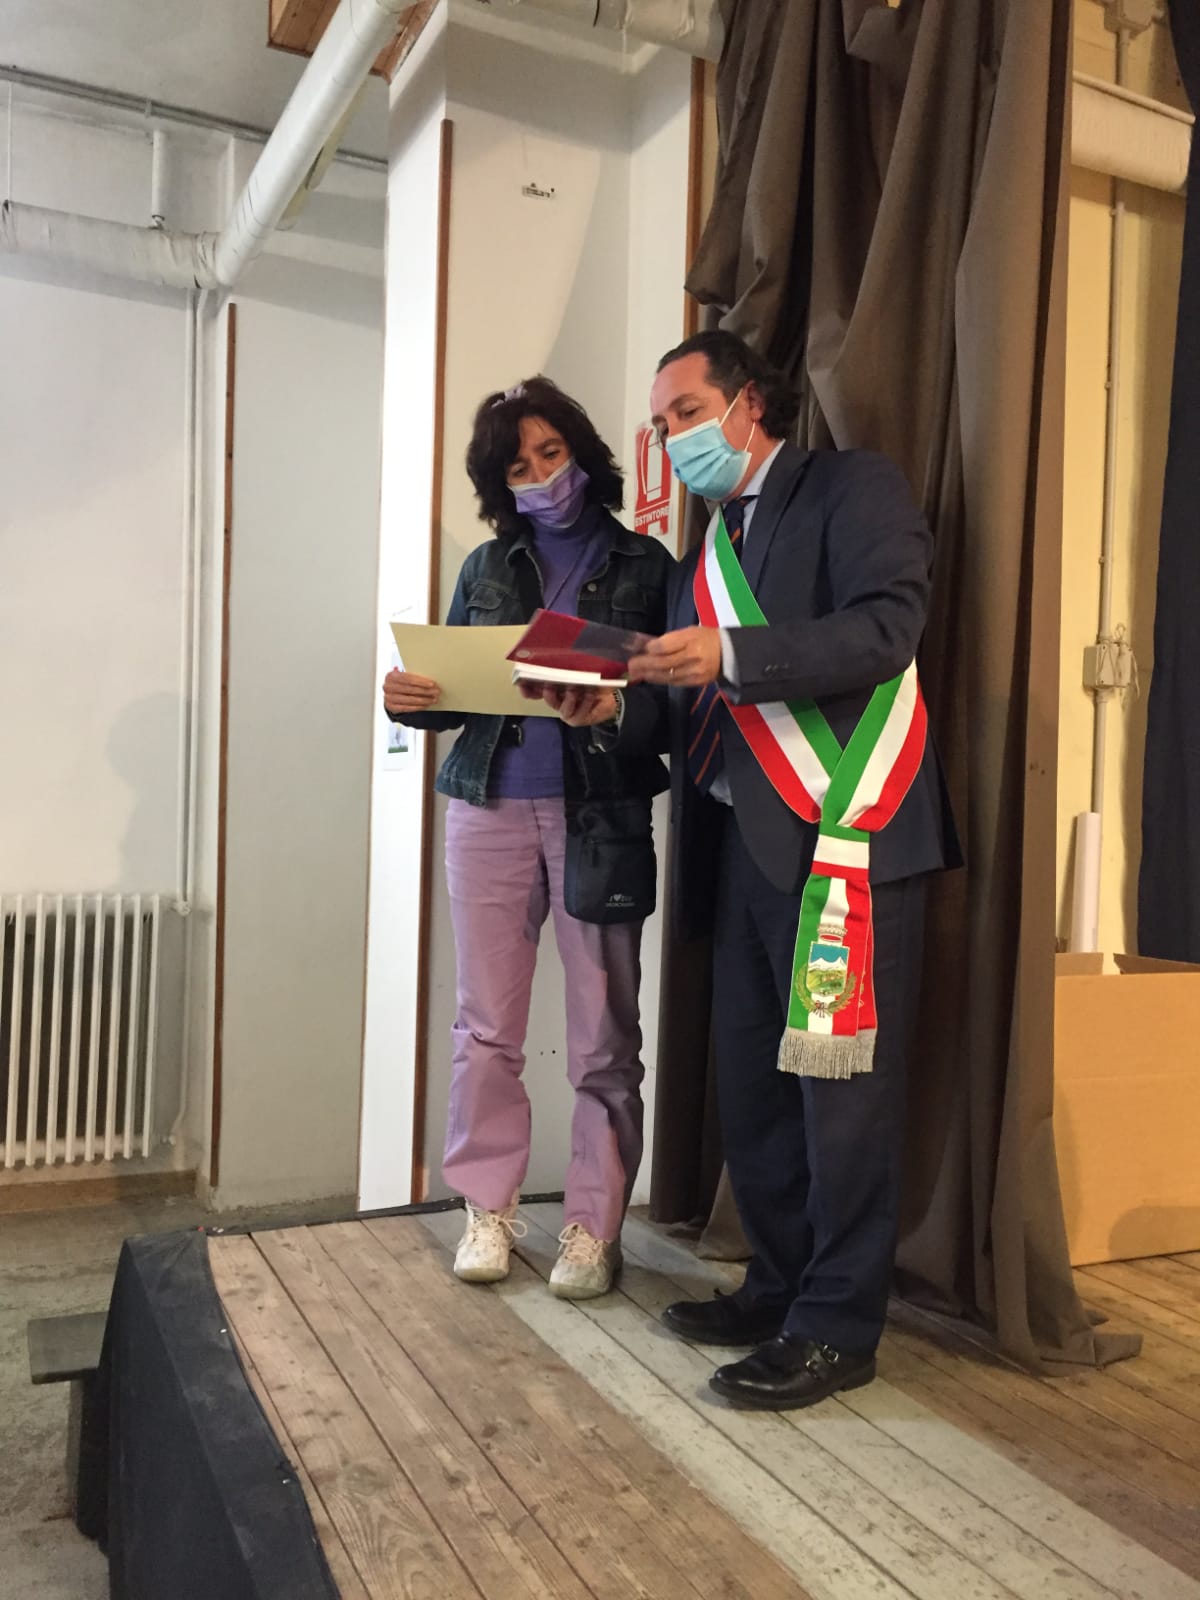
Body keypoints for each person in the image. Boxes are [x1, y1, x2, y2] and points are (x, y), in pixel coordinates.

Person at [624, 330, 959, 1408]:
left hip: (846, 841)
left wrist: (731, 654)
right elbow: (685, 710)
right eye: (661, 424)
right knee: (756, 1089)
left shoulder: (851, 490)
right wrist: (608, 708)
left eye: (685, 413)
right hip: (740, 850)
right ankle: (776, 1285)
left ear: (748, 405)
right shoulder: (702, 559)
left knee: (842, 1100)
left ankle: (837, 1327)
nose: (673, 438)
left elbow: (886, 628)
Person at [383, 377, 673, 1299]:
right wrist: (409, 701)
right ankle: (487, 1208)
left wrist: (614, 705)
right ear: (499, 484)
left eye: (553, 454)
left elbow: (672, 706)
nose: (542, 475)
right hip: (488, 809)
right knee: (485, 1027)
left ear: (583, 454)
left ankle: (594, 1227)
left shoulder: (647, 565)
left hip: (602, 815)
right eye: (519, 466)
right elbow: (458, 695)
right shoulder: (485, 566)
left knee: (604, 1034)